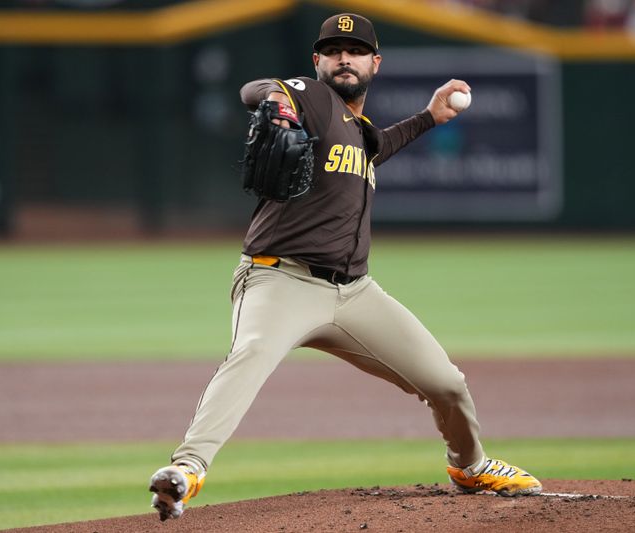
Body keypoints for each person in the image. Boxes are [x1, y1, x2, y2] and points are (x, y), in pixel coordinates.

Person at [149, 12, 542, 522]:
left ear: (375, 63)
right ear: (317, 62)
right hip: (279, 279)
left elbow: (376, 149)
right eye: (333, 50)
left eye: (355, 50)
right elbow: (258, 88)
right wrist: (278, 104)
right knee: (250, 355)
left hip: (356, 295)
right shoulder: (310, 99)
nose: (343, 57)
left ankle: (470, 466)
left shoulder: (359, 131)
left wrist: (428, 118)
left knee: (446, 383)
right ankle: (186, 470)